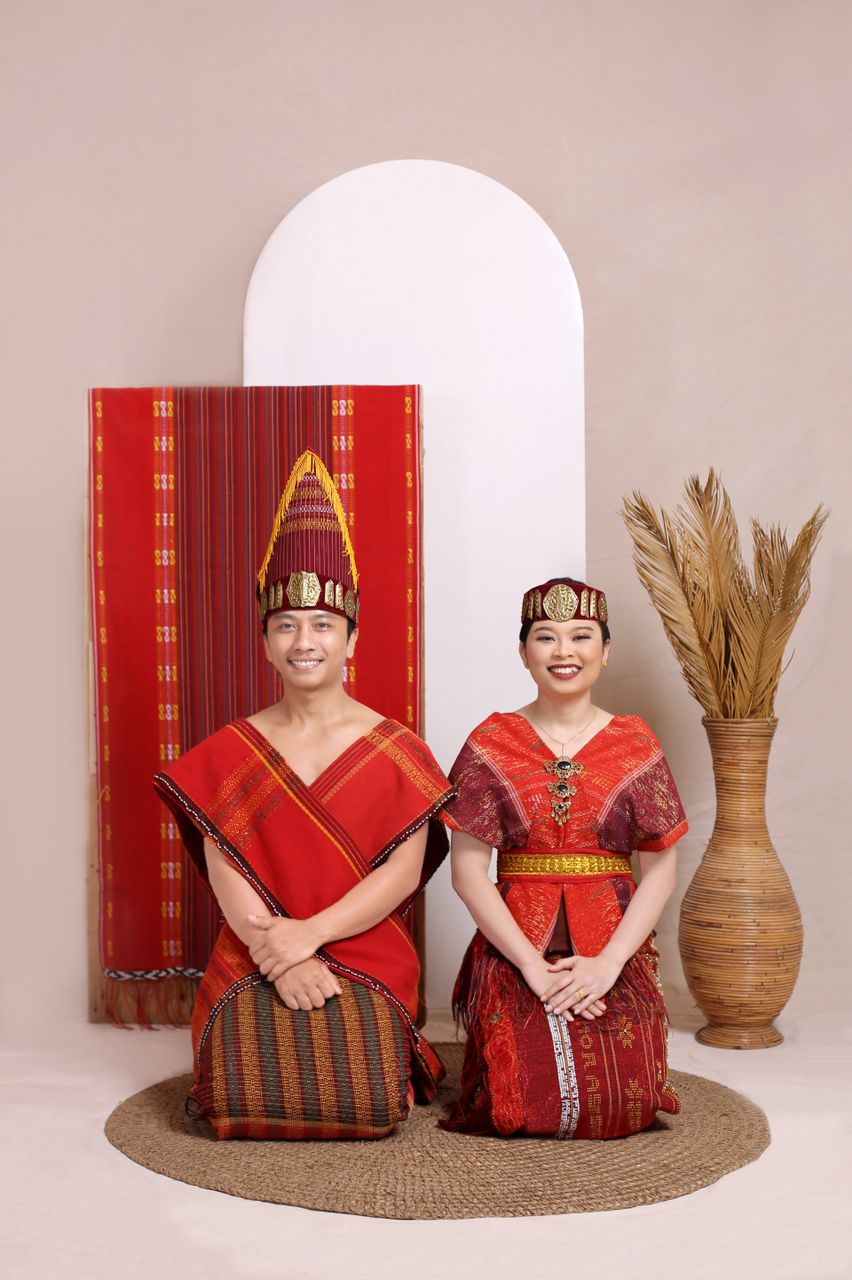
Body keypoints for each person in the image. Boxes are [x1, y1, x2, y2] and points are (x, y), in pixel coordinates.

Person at [154, 450, 453, 1140]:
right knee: (236, 1077)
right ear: (265, 642)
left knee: (371, 1081)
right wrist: (278, 952)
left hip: (363, 943)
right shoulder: (228, 752)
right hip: (256, 945)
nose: (304, 641)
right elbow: (227, 870)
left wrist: (310, 936)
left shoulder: (397, 749)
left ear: (352, 638)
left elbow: (402, 875)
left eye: (322, 624)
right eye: (286, 625)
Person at [443, 577, 687, 1139]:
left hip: (611, 946)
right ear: (523, 652)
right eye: (545, 637)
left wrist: (609, 965)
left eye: (581, 636)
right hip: (515, 949)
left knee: (624, 1102)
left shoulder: (635, 743)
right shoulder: (490, 741)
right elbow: (466, 872)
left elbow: (661, 870)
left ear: (606, 650)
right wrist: (532, 968)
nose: (564, 651)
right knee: (517, 1102)